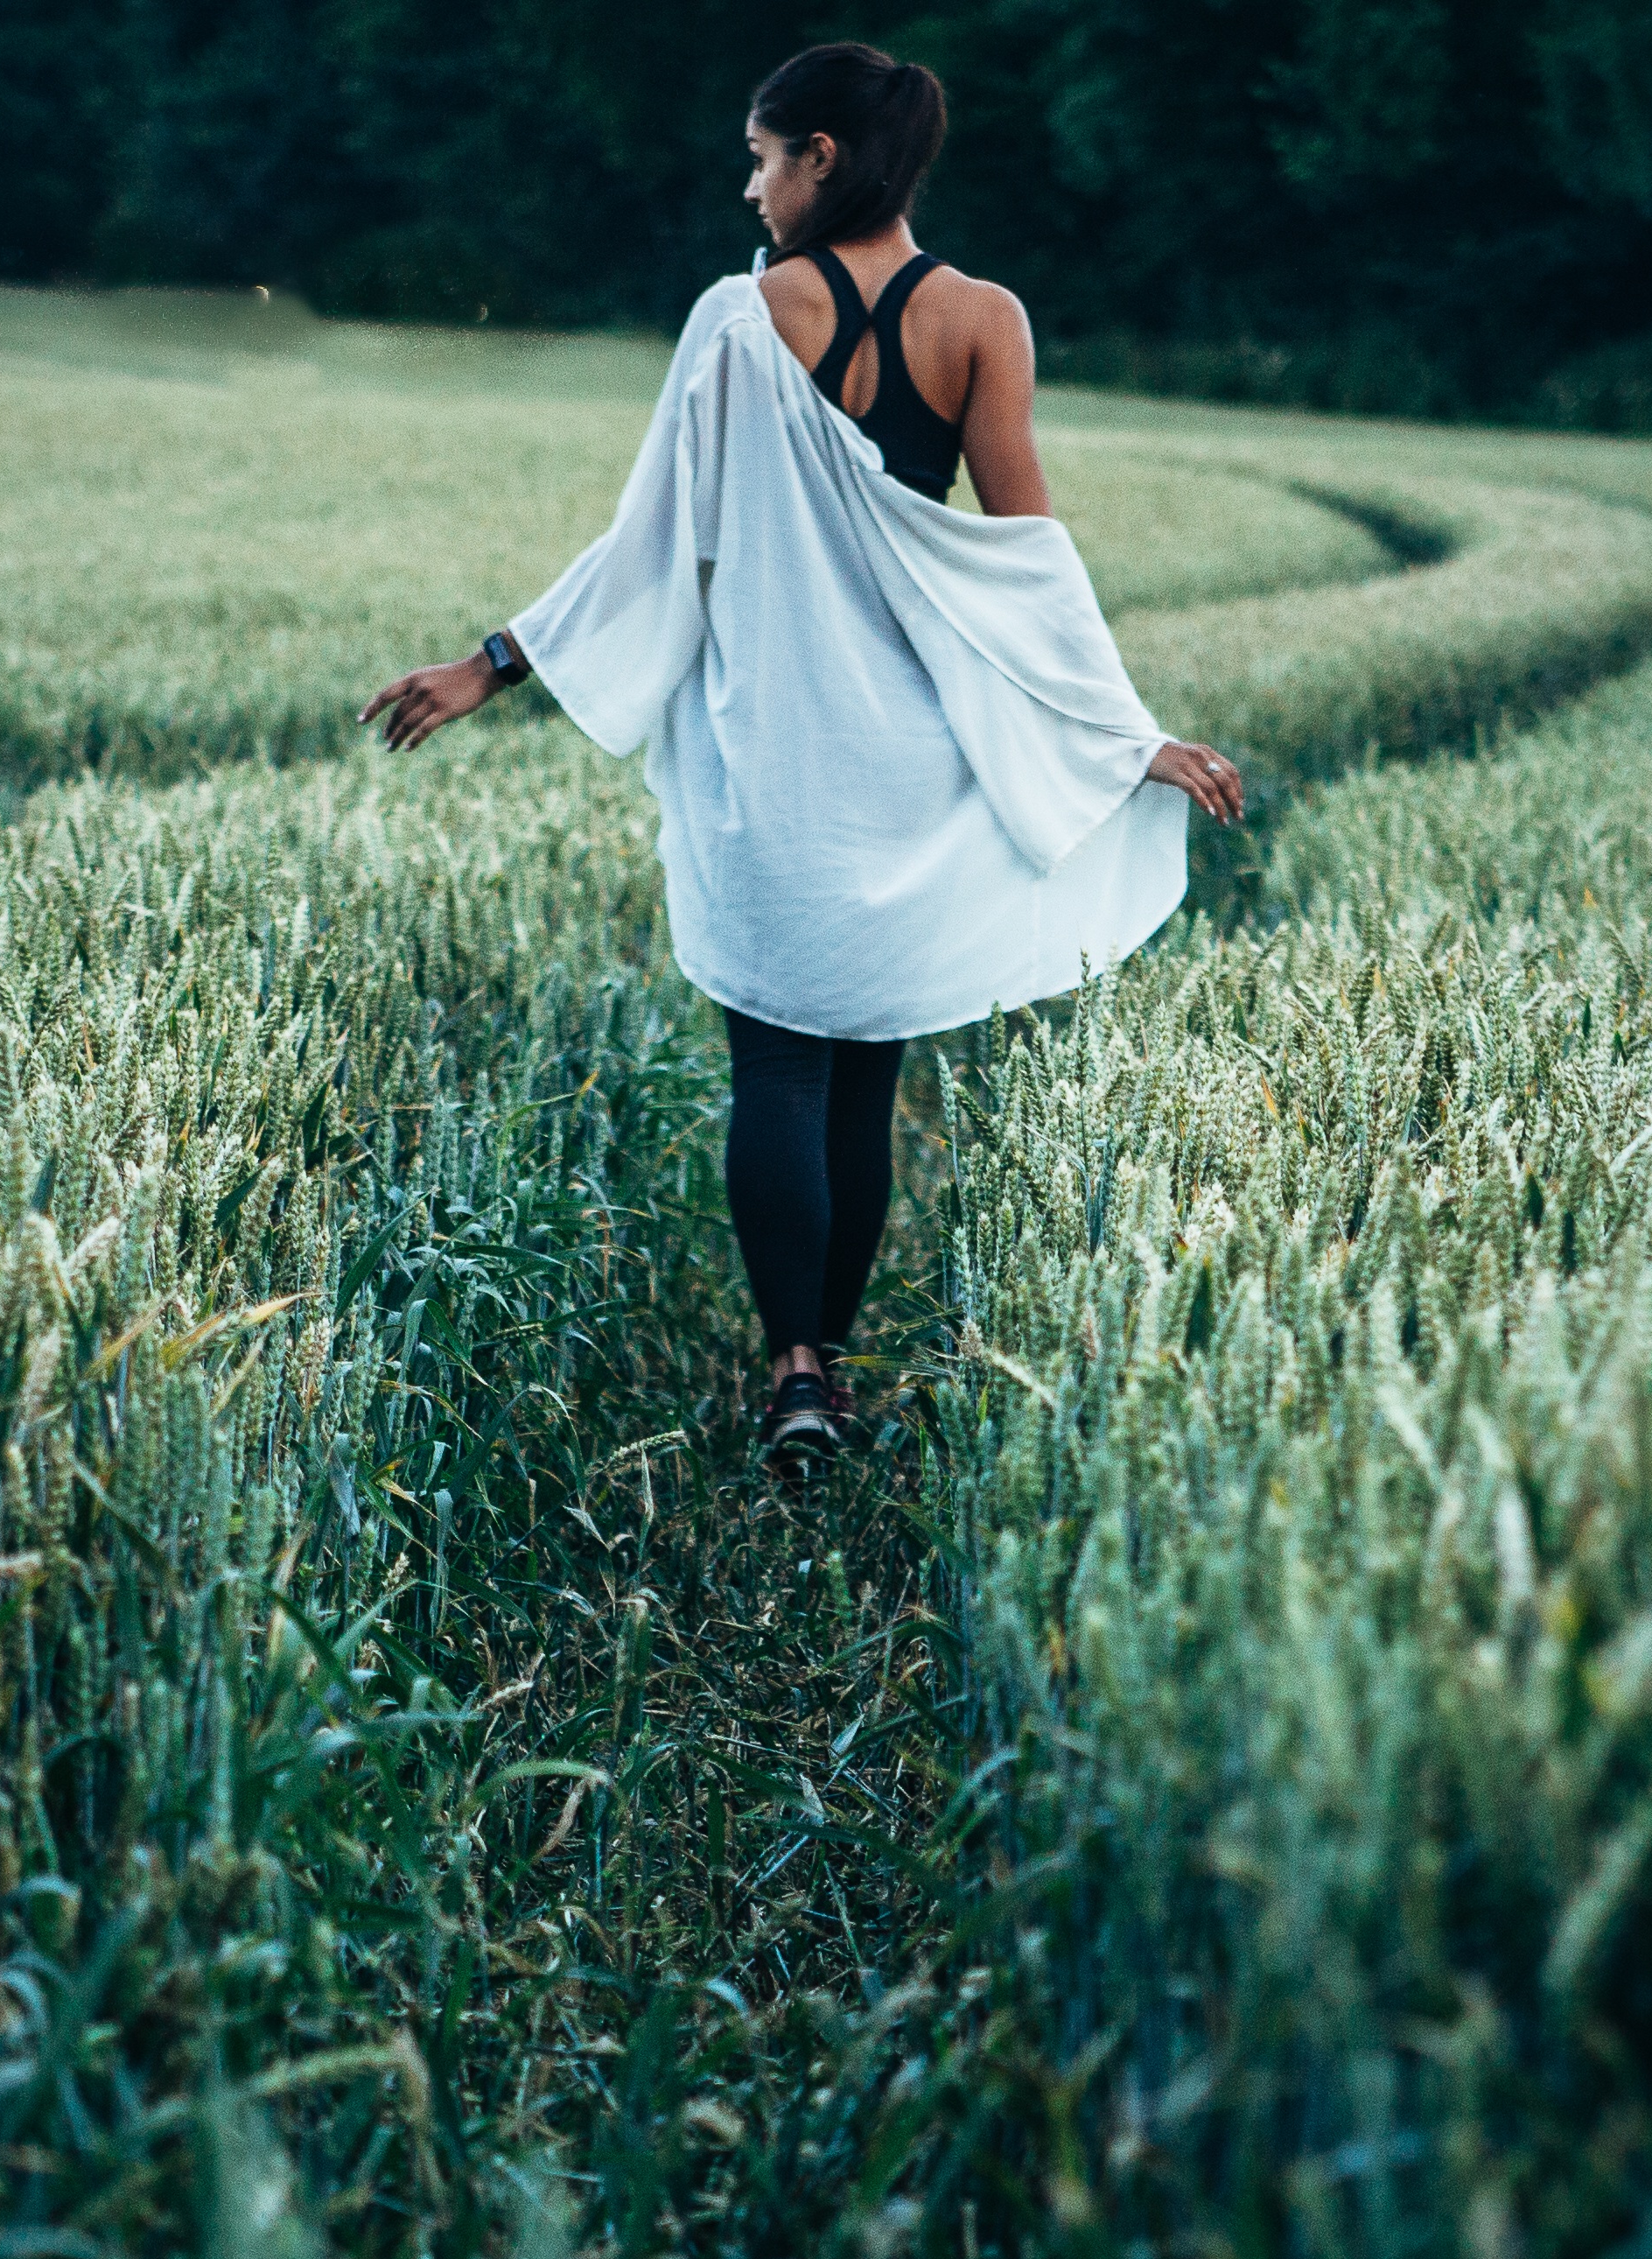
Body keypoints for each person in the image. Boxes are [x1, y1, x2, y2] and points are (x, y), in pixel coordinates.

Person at [362, 40, 1243, 1476]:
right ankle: (827, 1375)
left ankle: (795, 1374)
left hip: (770, 752)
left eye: (766, 156)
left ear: (823, 155)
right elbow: (1023, 565)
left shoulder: (734, 318)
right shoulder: (984, 320)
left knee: (773, 1063)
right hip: (912, 759)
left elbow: (654, 539)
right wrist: (1121, 740)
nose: (752, 184)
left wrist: (494, 663)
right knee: (864, 1071)